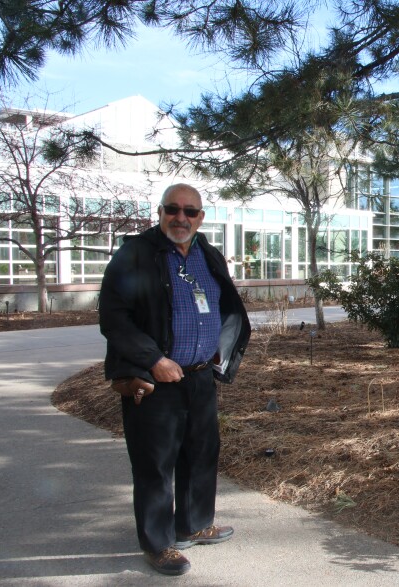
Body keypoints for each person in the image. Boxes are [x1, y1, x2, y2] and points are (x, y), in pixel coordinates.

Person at [99, 183, 251, 576]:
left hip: (200, 377)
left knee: (201, 454)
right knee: (154, 464)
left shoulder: (208, 253)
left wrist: (221, 347)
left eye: (190, 211)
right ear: (161, 211)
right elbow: (114, 317)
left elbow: (224, 304)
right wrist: (154, 359)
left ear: (201, 217)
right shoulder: (136, 254)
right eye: (173, 209)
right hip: (155, 381)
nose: (180, 218)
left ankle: (194, 524)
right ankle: (159, 543)